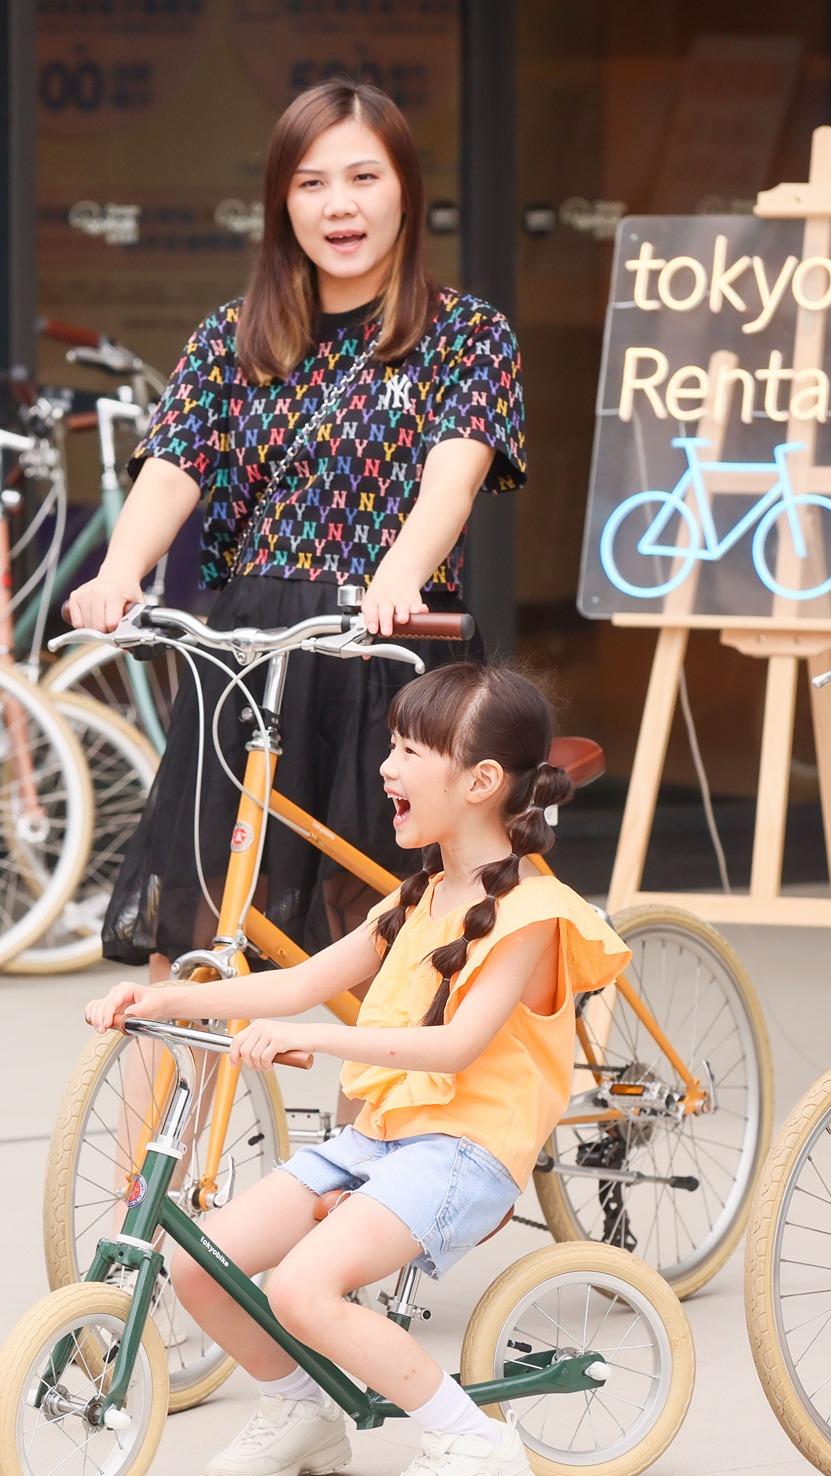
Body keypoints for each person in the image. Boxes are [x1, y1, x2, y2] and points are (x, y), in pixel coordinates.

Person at [82, 664, 627, 1476]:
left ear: (482, 781)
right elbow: (296, 981)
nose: (387, 766)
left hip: (462, 1150)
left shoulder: (534, 914)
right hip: (377, 1138)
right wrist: (161, 1001)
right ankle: (303, 1408)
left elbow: (455, 1048)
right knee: (199, 1264)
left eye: (411, 749)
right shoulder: (417, 896)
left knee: (302, 1286)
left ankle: (470, 1443)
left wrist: (327, 1041)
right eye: (392, 745)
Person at [65, 79, 525, 973]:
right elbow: (172, 470)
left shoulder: (467, 336)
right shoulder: (234, 337)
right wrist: (120, 570)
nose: (339, 205)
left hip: (386, 645)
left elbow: (452, 478)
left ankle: (384, 1116)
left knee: (393, 932)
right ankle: (167, 1118)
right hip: (249, 656)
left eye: (363, 177)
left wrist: (399, 575)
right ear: (282, 200)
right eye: (312, 183)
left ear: (405, 191)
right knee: (193, 929)